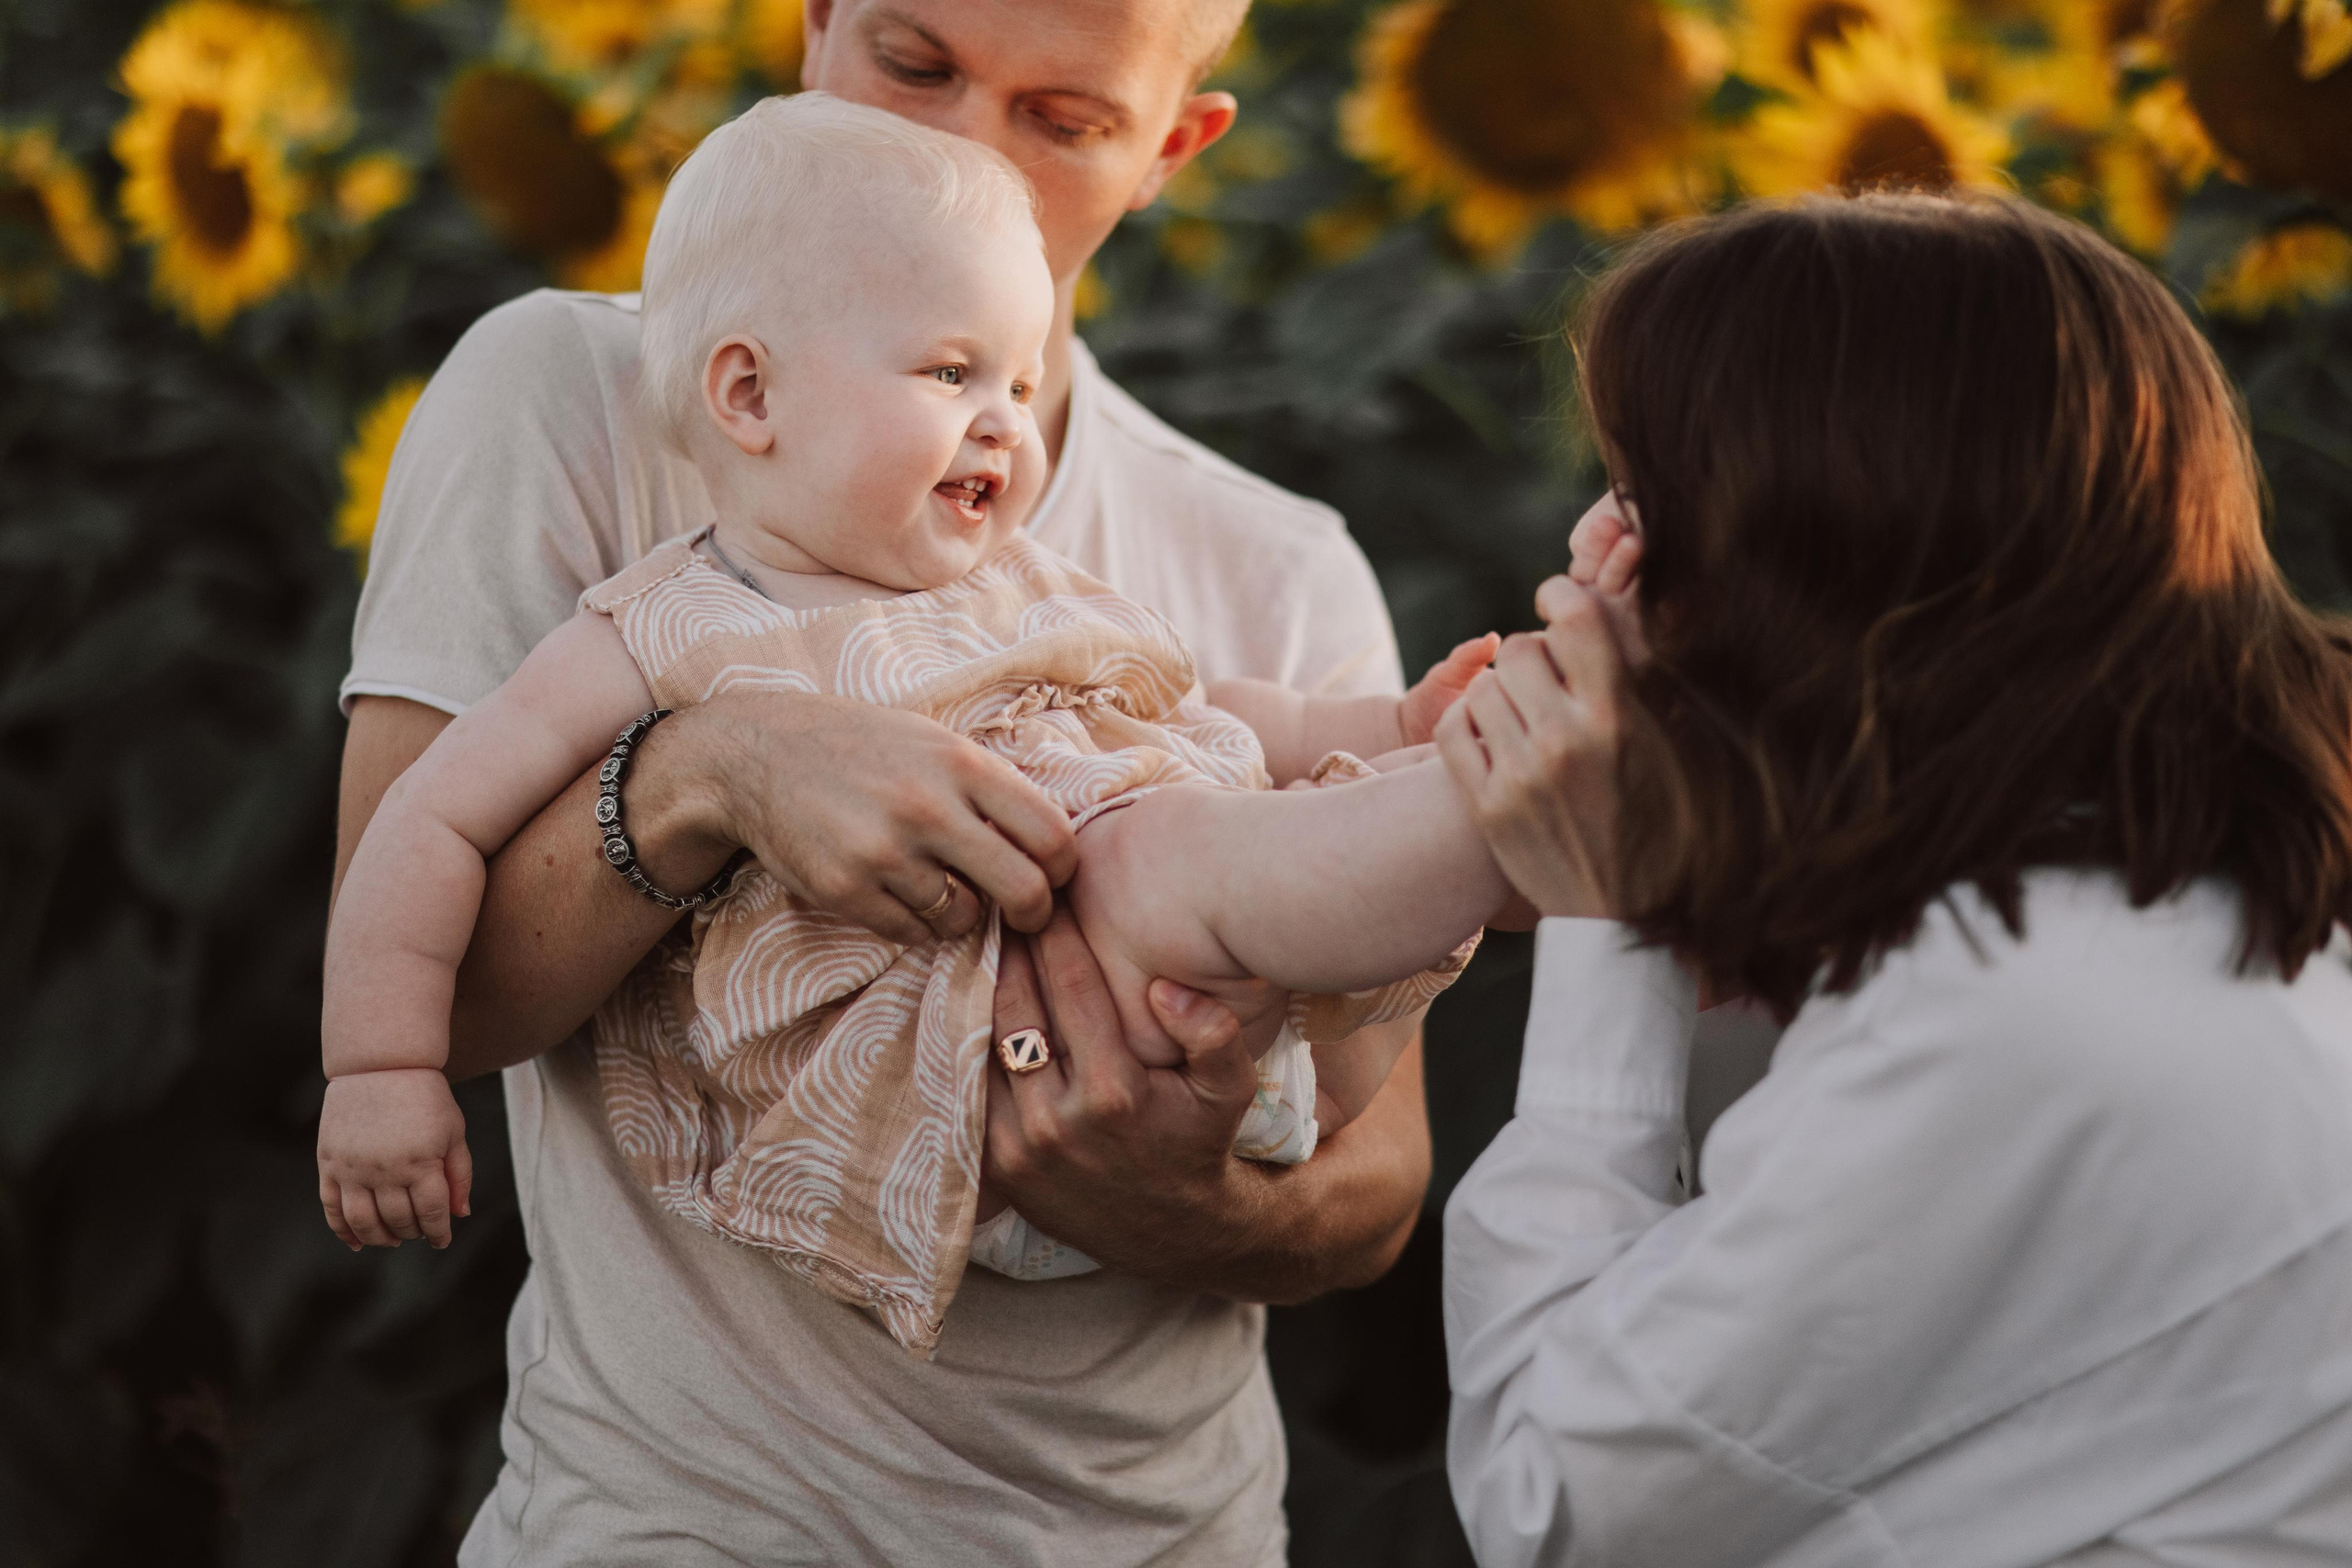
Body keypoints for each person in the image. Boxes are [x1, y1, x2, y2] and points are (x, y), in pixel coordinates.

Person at [333, 1, 1441, 1560]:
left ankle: (1518, 806)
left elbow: (1377, 1190)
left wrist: (1168, 1196)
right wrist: (709, 772)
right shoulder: (575, 397)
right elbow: (424, 974)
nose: (955, 145)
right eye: (912, 63)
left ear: (1172, 149)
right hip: (698, 1517)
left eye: (1064, 121)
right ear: (812, 24)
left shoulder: (1269, 561)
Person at [1433, 192, 2352, 1563]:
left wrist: (1603, 911)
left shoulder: (2010, 1015)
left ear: (1821, 562)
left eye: (1645, 499)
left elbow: (1553, 1505)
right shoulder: (2183, 902)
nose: (1589, 558)